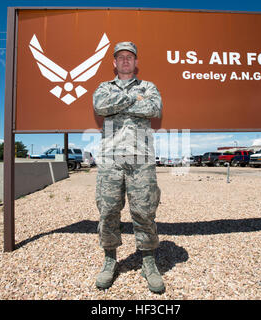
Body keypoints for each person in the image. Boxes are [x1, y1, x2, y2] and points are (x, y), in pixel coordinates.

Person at [92, 41, 164, 293]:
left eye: (129, 57)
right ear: (114, 62)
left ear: (135, 62)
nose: (125, 60)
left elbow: (154, 108)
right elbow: (100, 106)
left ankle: (148, 261)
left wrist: (119, 102)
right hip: (110, 160)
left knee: (144, 211)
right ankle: (110, 260)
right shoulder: (103, 87)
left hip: (141, 160)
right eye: (120, 57)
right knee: (108, 210)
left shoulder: (149, 87)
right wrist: (133, 99)